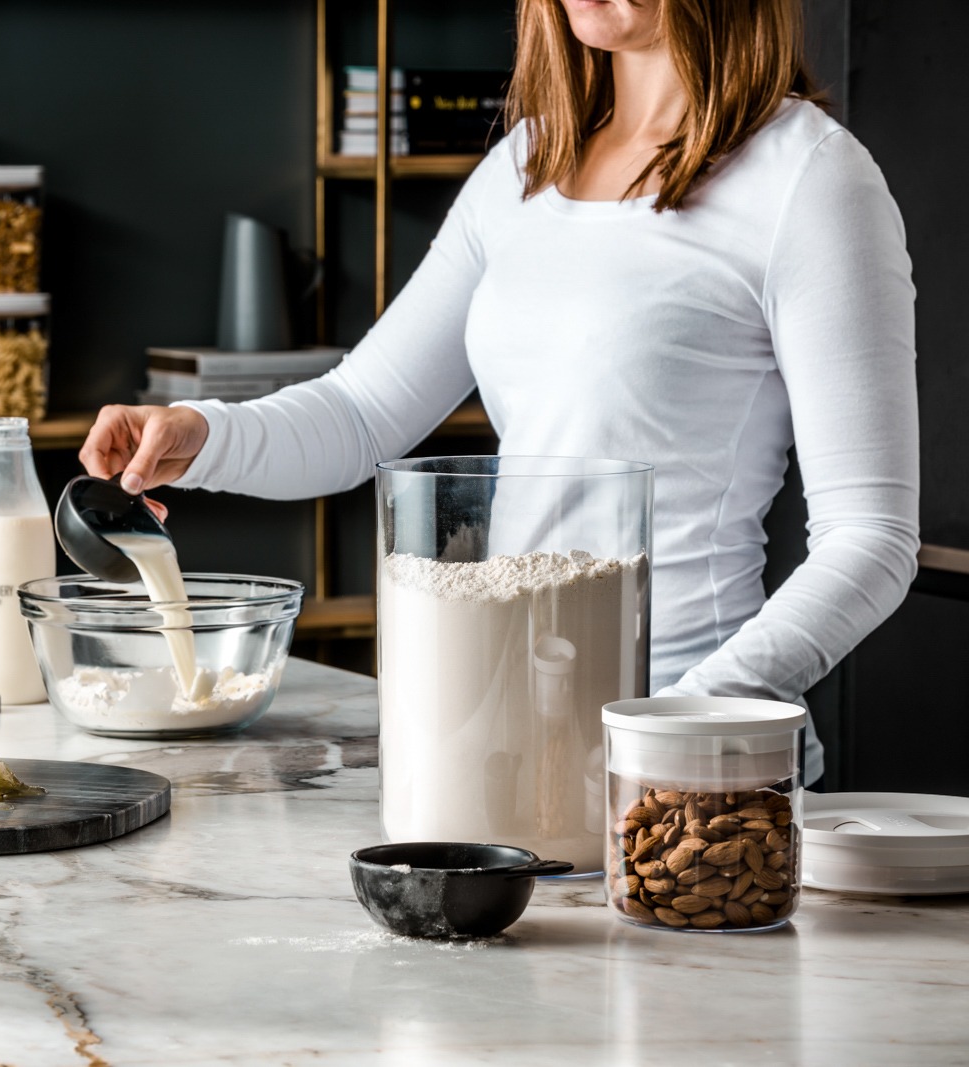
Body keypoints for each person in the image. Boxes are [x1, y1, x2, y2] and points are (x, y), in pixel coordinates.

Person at [78, 0, 919, 785]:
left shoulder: (808, 179)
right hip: (509, 733)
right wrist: (201, 433)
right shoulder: (525, 164)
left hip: (692, 751)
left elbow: (871, 537)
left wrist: (683, 719)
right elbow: (364, 412)